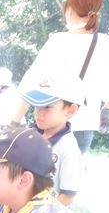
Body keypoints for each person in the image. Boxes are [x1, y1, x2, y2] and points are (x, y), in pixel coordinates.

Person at [7, 0, 109, 155]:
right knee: (69, 178)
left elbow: (32, 84)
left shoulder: (57, 41)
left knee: (41, 178)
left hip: (52, 123)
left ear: (69, 9)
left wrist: (14, 122)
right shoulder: (104, 42)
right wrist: (107, 109)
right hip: (84, 126)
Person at [20, 76, 85, 206]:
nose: (38, 112)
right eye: (37, 105)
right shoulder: (31, 135)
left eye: (47, 107)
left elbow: (68, 196)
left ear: (70, 110)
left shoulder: (68, 149)